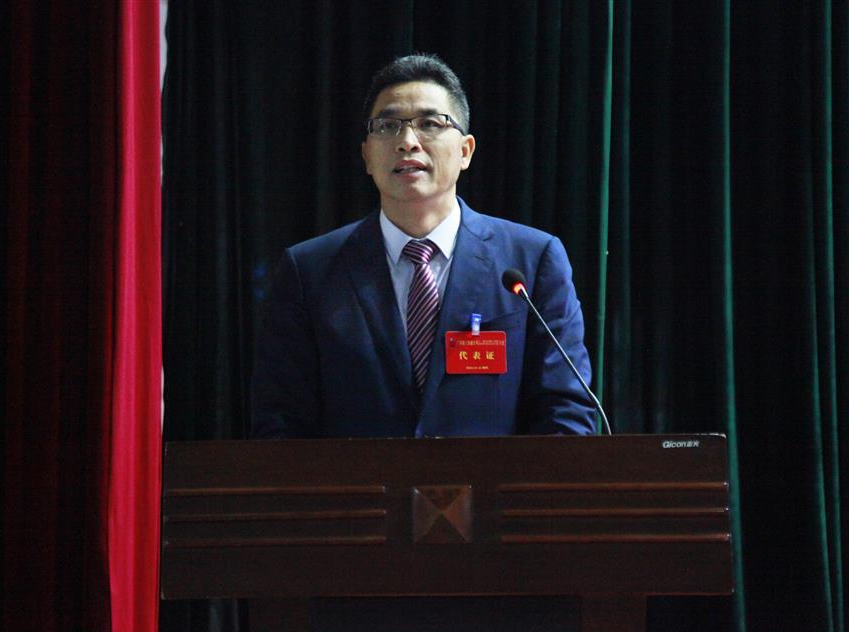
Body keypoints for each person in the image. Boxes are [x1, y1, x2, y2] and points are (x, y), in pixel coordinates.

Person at [252, 53, 596, 439]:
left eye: (431, 124)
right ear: (367, 155)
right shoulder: (309, 271)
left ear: (465, 151)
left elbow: (566, 414)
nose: (407, 142)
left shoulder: (531, 262)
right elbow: (281, 424)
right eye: (388, 126)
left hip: (493, 481)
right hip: (359, 481)